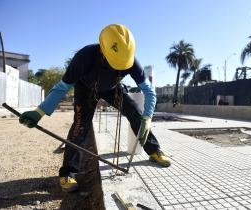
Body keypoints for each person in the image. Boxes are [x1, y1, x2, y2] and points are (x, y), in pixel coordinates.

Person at [19, 24, 171, 192]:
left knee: (135, 112)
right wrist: (39, 112)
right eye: (115, 64)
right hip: (85, 89)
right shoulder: (84, 57)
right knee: (80, 126)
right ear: (103, 51)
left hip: (112, 89)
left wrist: (148, 117)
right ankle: (68, 172)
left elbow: (149, 92)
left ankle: (154, 150)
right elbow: (62, 87)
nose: (118, 68)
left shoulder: (131, 62)